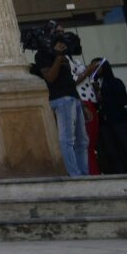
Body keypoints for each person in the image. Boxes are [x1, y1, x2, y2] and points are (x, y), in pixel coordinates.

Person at [32, 33, 90, 176]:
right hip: (61, 99)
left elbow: (70, 82)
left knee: (82, 140)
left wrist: (82, 104)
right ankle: (75, 175)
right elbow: (50, 77)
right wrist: (58, 57)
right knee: (67, 139)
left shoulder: (67, 56)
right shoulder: (42, 55)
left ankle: (84, 173)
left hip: (73, 99)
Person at [93, 61, 127, 174]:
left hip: (118, 119)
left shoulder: (115, 82)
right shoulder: (95, 84)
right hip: (105, 122)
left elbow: (124, 100)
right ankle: (121, 173)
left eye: (97, 67)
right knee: (112, 151)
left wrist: (104, 97)